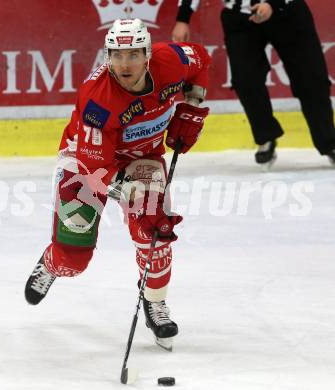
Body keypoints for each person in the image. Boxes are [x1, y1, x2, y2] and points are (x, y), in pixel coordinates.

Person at [24, 18, 210, 350]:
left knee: (153, 232)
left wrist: (192, 105)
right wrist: (135, 195)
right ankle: (53, 262)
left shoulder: (173, 60)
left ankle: (155, 303)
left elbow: (201, 60)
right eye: (117, 55)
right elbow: (95, 167)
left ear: (148, 54)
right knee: (73, 261)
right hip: (84, 162)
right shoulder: (98, 99)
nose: (124, 64)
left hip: (142, 157)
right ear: (108, 55)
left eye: (134, 55)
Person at [172, 0, 335, 168]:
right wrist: (183, 19)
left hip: (287, 11)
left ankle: (329, 143)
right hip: (240, 16)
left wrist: (272, 3)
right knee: (245, 79)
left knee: (311, 79)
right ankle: (266, 137)